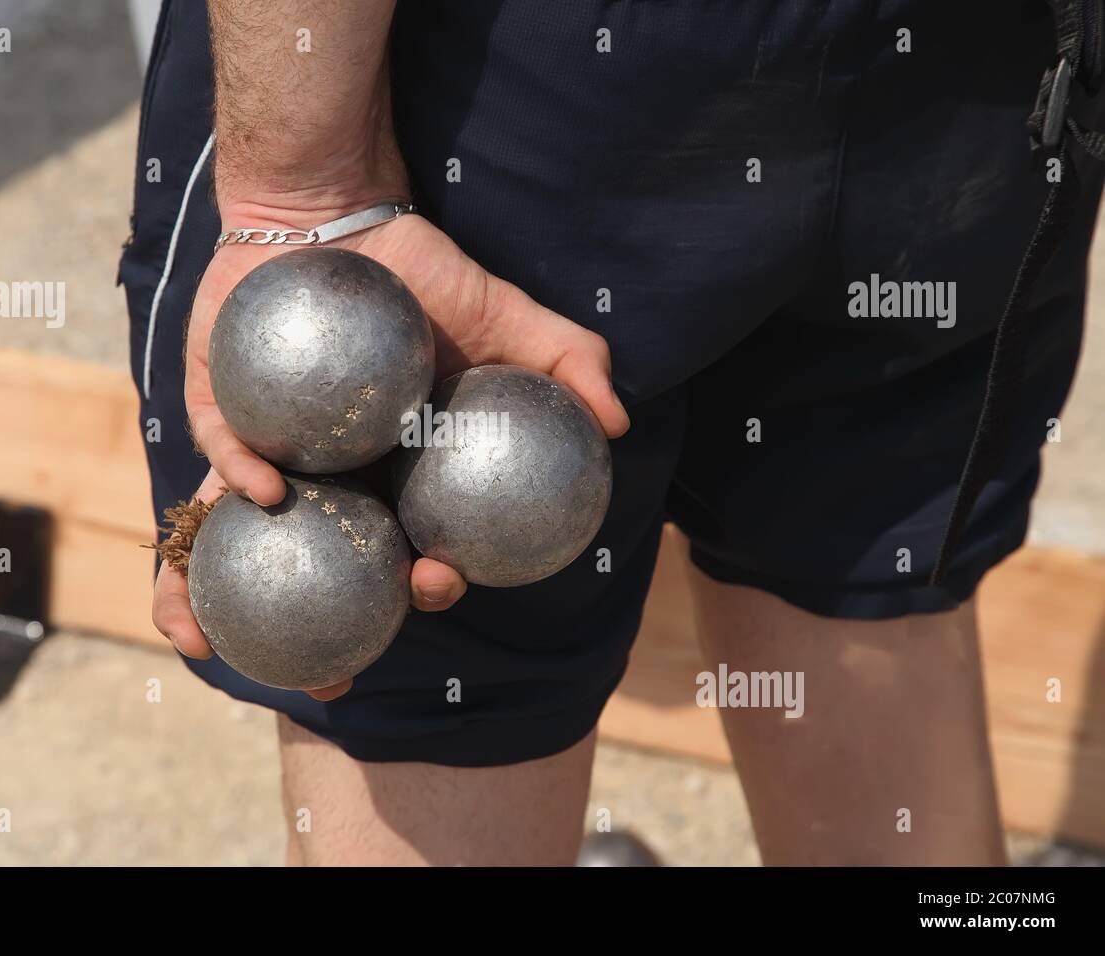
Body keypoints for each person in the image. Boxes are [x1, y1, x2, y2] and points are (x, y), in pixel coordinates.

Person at [118, 0, 1104, 865]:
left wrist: (302, 186)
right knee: (868, 581)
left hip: (523, 81)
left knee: (436, 721)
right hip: (964, 84)